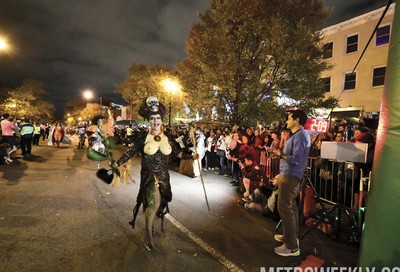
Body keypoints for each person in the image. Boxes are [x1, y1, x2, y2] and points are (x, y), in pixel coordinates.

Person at [110, 96, 197, 251]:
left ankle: (151, 226)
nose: (156, 121)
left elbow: (177, 154)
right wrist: (118, 162)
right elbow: (131, 152)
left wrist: (191, 156)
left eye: (158, 118)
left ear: (161, 120)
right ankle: (148, 237)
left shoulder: (168, 138)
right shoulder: (143, 137)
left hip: (164, 176)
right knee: (154, 202)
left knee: (159, 203)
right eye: (152, 118)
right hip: (149, 175)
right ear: (149, 121)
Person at [272, 109, 311, 257]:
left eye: (289, 118)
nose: (286, 121)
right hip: (288, 175)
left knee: (285, 208)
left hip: (291, 176)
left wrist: (280, 154)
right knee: (291, 207)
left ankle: (291, 246)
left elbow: (296, 159)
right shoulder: (298, 135)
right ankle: (290, 236)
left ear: (296, 120)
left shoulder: (301, 136)